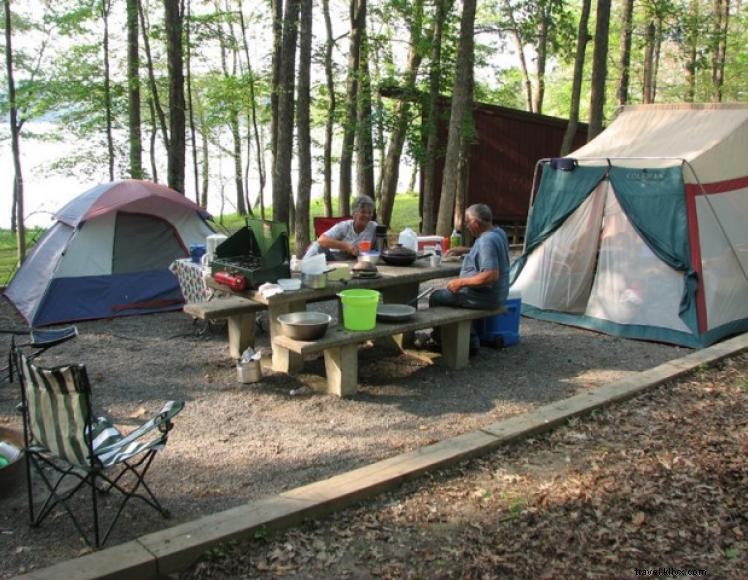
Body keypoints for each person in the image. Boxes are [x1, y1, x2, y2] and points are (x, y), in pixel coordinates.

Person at [427, 203, 510, 355]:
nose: (466, 226)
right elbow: (490, 252)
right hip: (498, 294)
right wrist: (465, 250)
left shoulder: (486, 241)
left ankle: (444, 341)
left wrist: (461, 282)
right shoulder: (498, 233)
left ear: (476, 223)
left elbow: (491, 275)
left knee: (436, 297)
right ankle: (469, 339)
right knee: (448, 297)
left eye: (467, 222)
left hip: (485, 297)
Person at [303, 195, 378, 260]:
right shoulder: (344, 226)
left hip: (361, 262)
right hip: (334, 259)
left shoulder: (374, 228)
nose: (367, 215)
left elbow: (381, 249)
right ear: (354, 213)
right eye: (363, 212)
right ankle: (304, 269)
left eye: (370, 212)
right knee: (317, 245)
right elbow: (321, 240)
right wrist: (346, 246)